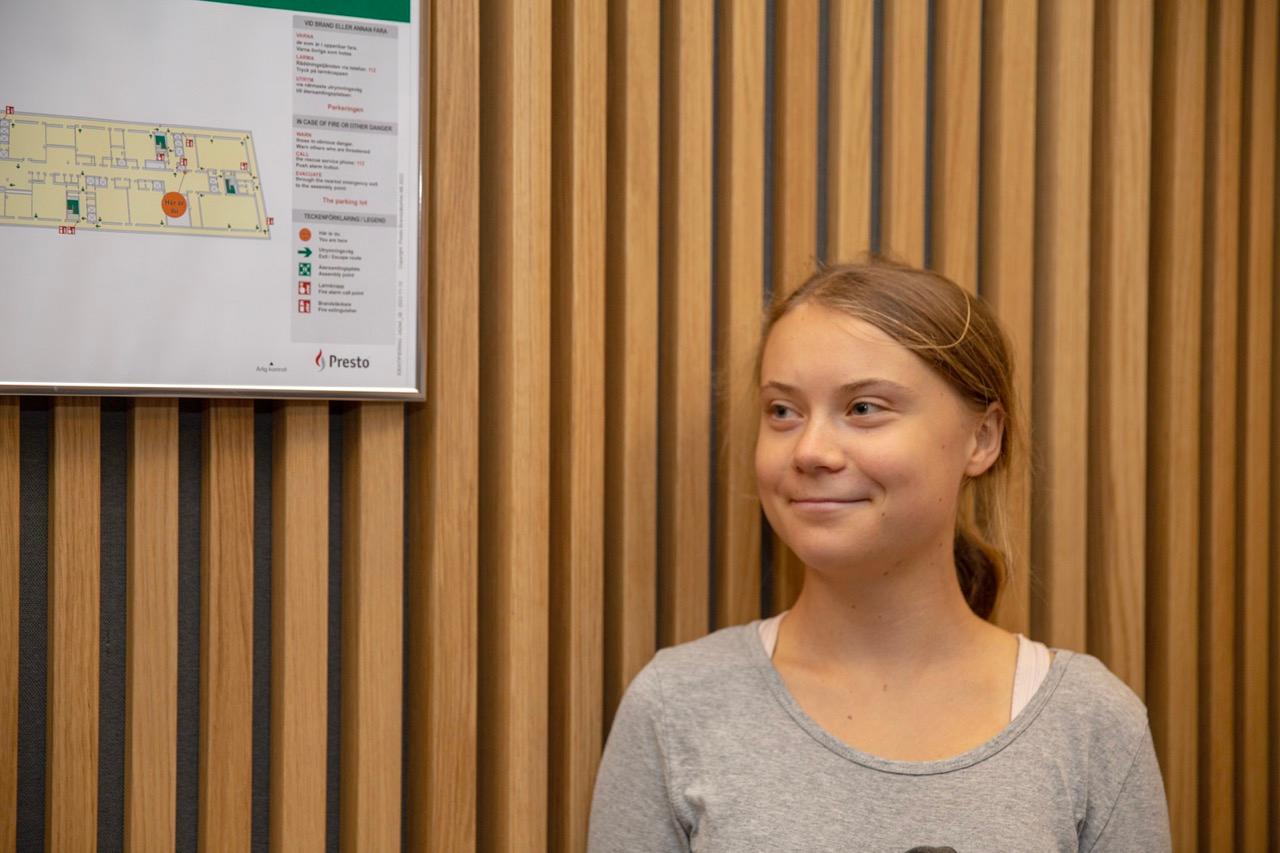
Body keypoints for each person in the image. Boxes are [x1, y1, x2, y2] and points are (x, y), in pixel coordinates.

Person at [588, 260, 1171, 851]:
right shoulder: (677, 706)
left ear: (982, 438)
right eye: (782, 412)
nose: (811, 451)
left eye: (864, 408)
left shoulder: (1091, 722)